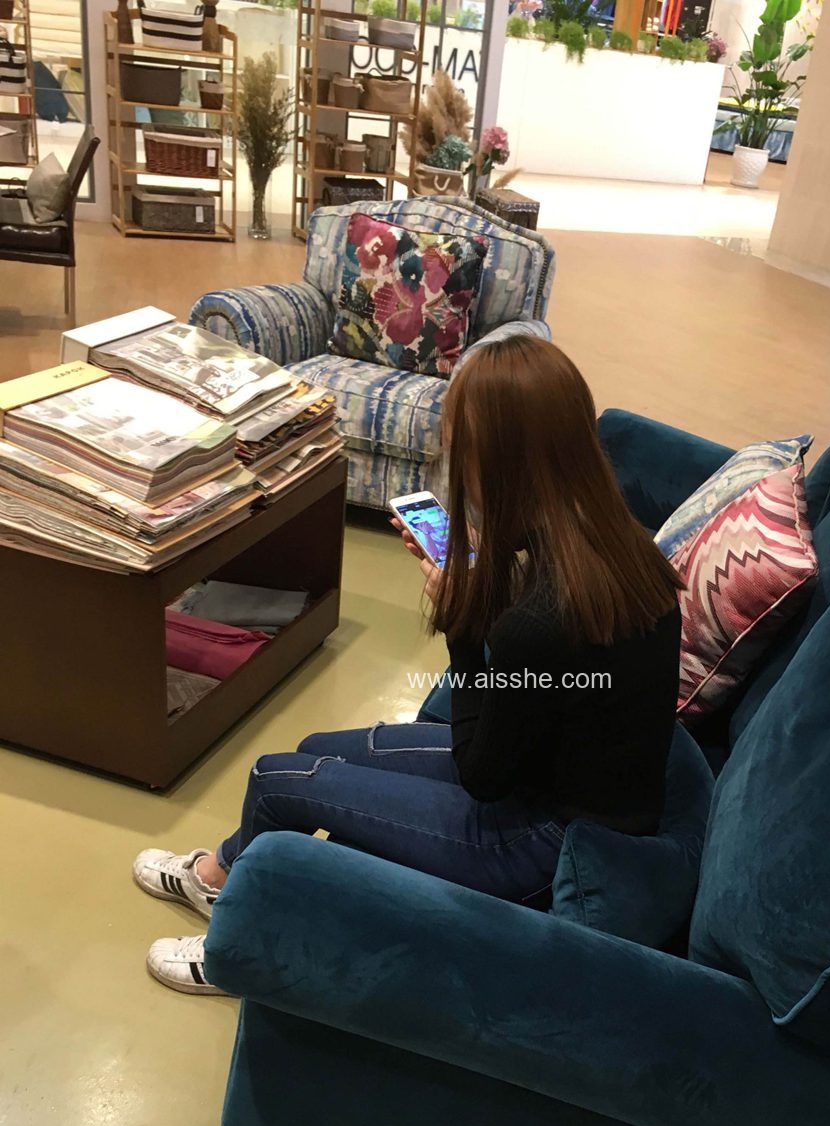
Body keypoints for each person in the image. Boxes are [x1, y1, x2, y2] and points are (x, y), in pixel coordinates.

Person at [138, 336, 682, 995]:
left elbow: (481, 774)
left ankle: (237, 944)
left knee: (276, 780)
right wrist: (477, 575)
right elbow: (550, 681)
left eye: (460, 453)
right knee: (315, 750)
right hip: (564, 791)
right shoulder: (628, 551)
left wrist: (462, 624)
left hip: (541, 838)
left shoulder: (538, 625)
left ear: (496, 465)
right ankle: (224, 876)